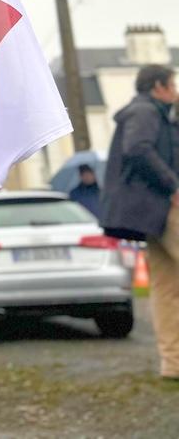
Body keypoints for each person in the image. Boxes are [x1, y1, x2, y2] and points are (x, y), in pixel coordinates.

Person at [100, 63, 179, 381]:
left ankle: (173, 362)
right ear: (158, 86)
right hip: (165, 208)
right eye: (172, 84)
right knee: (166, 287)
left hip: (151, 214)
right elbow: (138, 149)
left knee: (166, 287)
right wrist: (172, 186)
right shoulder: (146, 112)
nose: (175, 90)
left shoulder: (151, 113)